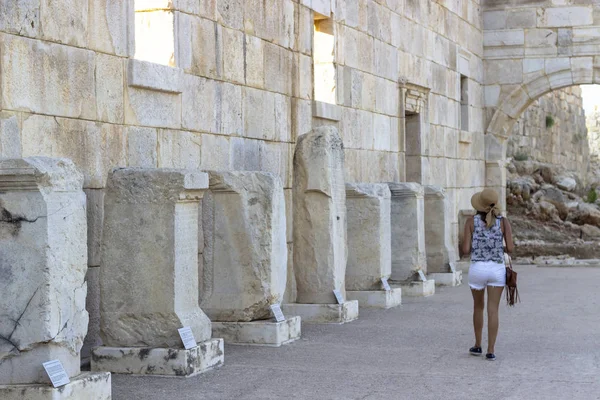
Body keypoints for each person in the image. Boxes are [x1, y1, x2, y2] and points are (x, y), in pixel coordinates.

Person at [461, 188, 514, 361]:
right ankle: (491, 350)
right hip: (496, 269)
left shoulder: (471, 221)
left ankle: (477, 345)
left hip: (477, 268)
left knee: (478, 307)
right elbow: (511, 248)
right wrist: (497, 247)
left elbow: (466, 250)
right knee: (493, 310)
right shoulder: (503, 222)